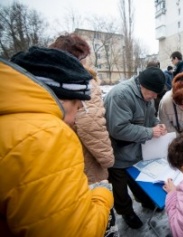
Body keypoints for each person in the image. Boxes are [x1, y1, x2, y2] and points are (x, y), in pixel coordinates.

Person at [1, 47, 113, 236]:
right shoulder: (49, 134)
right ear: (62, 97)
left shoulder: (11, 121)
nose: (74, 118)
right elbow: (77, 231)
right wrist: (103, 194)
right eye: (77, 107)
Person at [49, 34, 117, 237]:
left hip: (64, 162)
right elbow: (91, 125)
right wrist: (108, 160)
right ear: (78, 59)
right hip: (87, 164)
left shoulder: (50, 82)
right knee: (99, 216)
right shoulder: (83, 82)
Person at [104, 67, 168, 229]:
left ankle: (145, 201)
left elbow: (150, 117)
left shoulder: (148, 94)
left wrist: (156, 125)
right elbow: (118, 129)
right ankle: (126, 212)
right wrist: (149, 132)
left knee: (138, 179)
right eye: (153, 93)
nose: (154, 97)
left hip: (137, 150)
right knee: (120, 188)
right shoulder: (121, 95)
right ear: (142, 84)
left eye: (156, 94)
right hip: (118, 153)